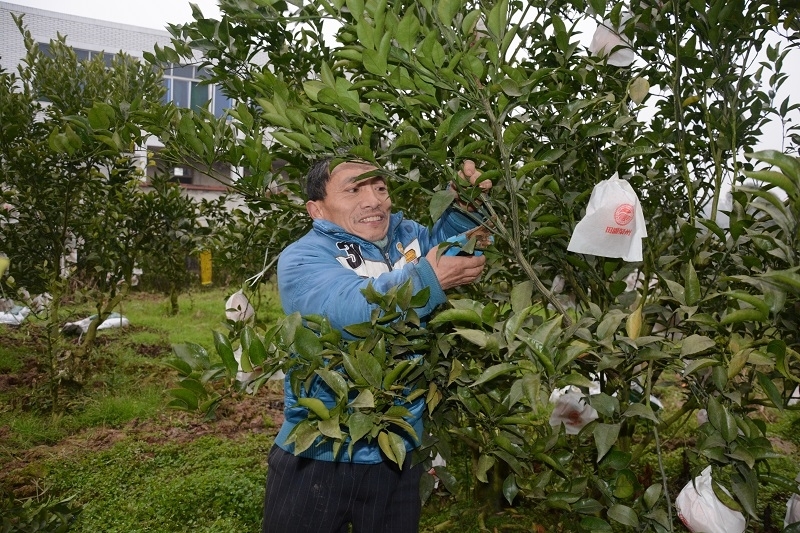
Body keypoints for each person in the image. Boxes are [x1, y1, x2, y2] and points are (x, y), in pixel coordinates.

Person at [263, 157, 490, 533]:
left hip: (396, 453)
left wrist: (466, 210)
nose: (374, 200)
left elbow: (454, 256)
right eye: (354, 189)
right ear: (316, 208)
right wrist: (425, 280)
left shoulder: (410, 237)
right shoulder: (302, 258)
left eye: (380, 188)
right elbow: (349, 310)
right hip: (318, 452)